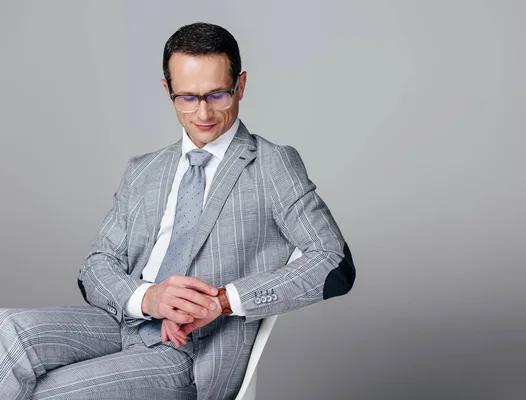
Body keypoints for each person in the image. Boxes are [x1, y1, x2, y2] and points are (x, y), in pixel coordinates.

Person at [0, 22, 355, 400]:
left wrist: (220, 301)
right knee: (6, 330)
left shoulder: (272, 165)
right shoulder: (144, 170)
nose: (202, 113)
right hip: (120, 320)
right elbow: (95, 267)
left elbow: (333, 263)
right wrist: (147, 298)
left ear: (241, 86)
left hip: (188, 350)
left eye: (217, 95)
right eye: (186, 97)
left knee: (48, 393)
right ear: (167, 90)